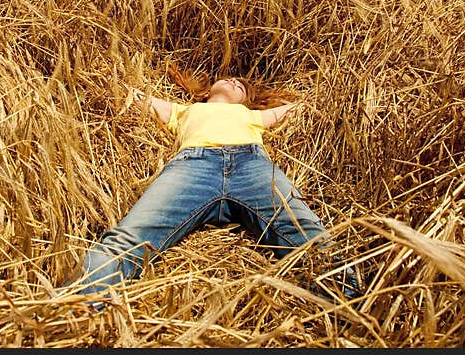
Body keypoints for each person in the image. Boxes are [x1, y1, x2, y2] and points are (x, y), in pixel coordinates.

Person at [63, 64, 359, 306]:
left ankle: (355, 310)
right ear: (206, 93)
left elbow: (297, 108)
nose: (234, 81)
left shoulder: (250, 115)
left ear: (246, 101)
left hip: (251, 166)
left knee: (308, 236)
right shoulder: (184, 110)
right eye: (229, 78)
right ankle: (73, 309)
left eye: (242, 87)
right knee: (130, 238)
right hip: (193, 167)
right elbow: (133, 96)